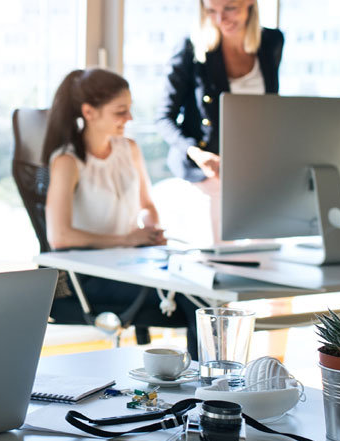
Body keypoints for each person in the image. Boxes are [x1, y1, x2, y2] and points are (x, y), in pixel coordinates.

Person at [42, 68, 200, 357]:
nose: (129, 118)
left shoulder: (129, 149)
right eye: (120, 111)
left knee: (202, 286)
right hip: (90, 274)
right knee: (196, 298)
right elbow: (59, 236)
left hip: (132, 263)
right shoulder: (68, 161)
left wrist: (152, 230)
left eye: (129, 109)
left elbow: (147, 205)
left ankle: (213, 385)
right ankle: (212, 388)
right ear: (89, 112)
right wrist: (126, 240)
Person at [157, 0, 284, 243]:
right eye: (211, 11)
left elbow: (270, 107)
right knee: (223, 241)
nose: (220, 19)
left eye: (229, 8)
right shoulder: (192, 48)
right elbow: (164, 118)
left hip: (253, 162)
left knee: (266, 242)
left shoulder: (271, 42)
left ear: (250, 4)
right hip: (205, 162)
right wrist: (196, 153)